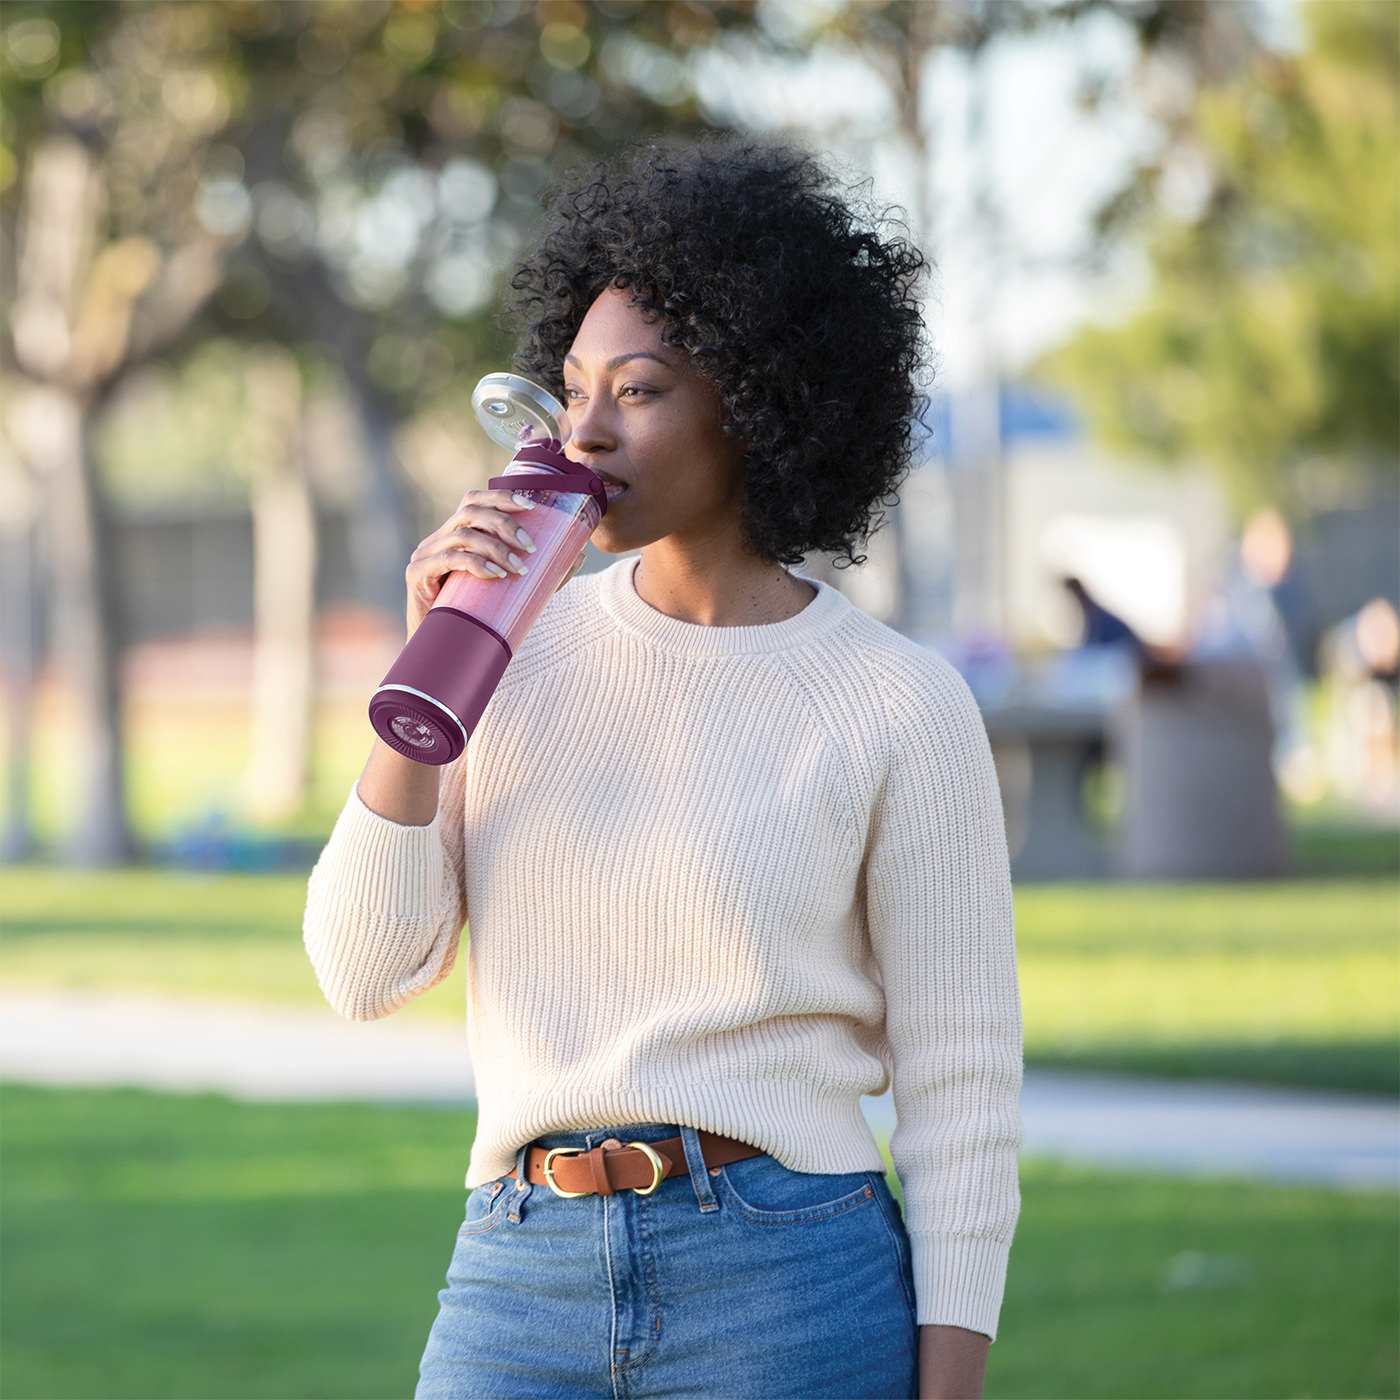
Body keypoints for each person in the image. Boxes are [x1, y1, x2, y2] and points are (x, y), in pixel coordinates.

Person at [303, 133, 1023, 1400]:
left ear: (753, 395)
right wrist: (422, 685)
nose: (581, 432)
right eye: (570, 386)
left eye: (635, 390)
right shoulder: (507, 653)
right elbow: (363, 972)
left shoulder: (898, 704)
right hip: (516, 1274)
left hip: (786, 1281)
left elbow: (960, 1090)